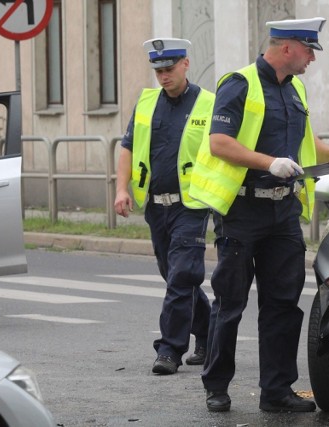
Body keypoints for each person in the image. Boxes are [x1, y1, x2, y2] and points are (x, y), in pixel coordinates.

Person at [189, 17, 329, 413]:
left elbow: (308, 141)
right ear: (287, 47)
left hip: (283, 212)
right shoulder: (238, 84)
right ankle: (216, 385)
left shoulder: (296, 88)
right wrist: (268, 162)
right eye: (309, 50)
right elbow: (219, 142)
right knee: (231, 302)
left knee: (283, 305)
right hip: (242, 210)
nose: (312, 59)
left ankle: (276, 392)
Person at [113, 38, 214, 375]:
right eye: (158, 71)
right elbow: (128, 148)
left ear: (186, 63)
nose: (163, 76)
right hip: (157, 206)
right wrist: (121, 189)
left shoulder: (209, 105)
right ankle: (210, 329)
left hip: (192, 204)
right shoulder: (146, 103)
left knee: (183, 274)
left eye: (169, 69)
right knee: (175, 277)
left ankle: (169, 349)